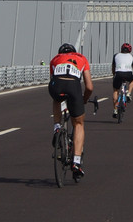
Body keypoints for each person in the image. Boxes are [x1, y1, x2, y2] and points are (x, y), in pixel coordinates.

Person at [49, 43, 93, 181]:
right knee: (78, 124)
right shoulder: (82, 59)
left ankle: (57, 127)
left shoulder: (55, 59)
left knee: (56, 98)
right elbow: (89, 87)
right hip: (74, 86)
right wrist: (83, 100)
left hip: (57, 85)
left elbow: (53, 80)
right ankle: (76, 162)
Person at [112, 42, 133, 118]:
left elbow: (113, 67)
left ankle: (115, 110)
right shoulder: (132, 56)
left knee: (116, 90)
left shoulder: (116, 55)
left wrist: (114, 75)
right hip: (128, 74)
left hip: (118, 74)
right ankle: (129, 93)